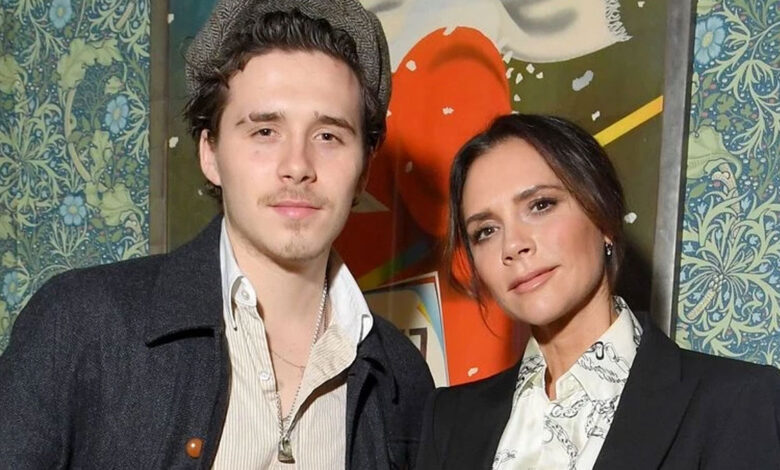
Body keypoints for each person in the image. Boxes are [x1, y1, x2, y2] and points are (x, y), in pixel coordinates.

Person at [0, 1, 433, 468]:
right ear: (210, 153)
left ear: (364, 170)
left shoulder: (402, 379)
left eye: (328, 136)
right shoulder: (80, 325)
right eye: (265, 131)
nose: (297, 166)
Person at [416, 114, 780, 469]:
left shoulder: (734, 402)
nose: (513, 245)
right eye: (486, 231)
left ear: (603, 217)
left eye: (540, 205)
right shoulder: (448, 422)